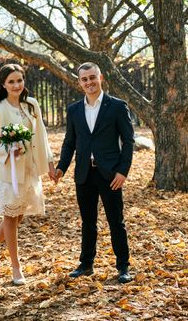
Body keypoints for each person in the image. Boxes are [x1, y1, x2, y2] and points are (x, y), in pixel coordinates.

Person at [55, 62, 134, 283]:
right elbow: (69, 142)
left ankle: (123, 267)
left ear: (101, 78)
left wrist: (122, 171)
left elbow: (128, 141)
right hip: (84, 174)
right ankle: (86, 264)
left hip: (110, 175)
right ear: (79, 82)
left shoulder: (117, 106)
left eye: (92, 77)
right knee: (87, 221)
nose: (89, 82)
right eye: (84, 79)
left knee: (115, 221)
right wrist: (62, 167)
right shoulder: (74, 110)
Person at [0, 63, 56, 285]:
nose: (16, 85)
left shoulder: (32, 105)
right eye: (11, 81)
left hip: (30, 169)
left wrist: (49, 163)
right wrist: (9, 150)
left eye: (19, 80)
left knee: (19, 215)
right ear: (3, 84)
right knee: (10, 217)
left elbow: (42, 136)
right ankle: (16, 268)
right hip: (8, 173)